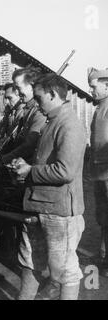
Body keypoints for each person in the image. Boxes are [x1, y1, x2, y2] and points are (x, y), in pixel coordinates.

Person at [12, 74, 86, 300]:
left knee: (64, 272)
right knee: (30, 263)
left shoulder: (69, 124)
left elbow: (65, 171)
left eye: (39, 97)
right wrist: (25, 167)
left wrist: (29, 171)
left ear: (53, 95)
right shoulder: (51, 121)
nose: (36, 102)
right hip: (38, 207)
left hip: (58, 212)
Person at [0, 67, 46, 166]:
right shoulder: (28, 109)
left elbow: (29, 145)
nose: (16, 92)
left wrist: (3, 159)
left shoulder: (40, 111)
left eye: (18, 88)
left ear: (32, 86)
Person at [88, 67, 108, 277]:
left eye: (94, 87)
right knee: (103, 217)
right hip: (99, 174)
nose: (91, 91)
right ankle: (104, 255)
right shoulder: (99, 108)